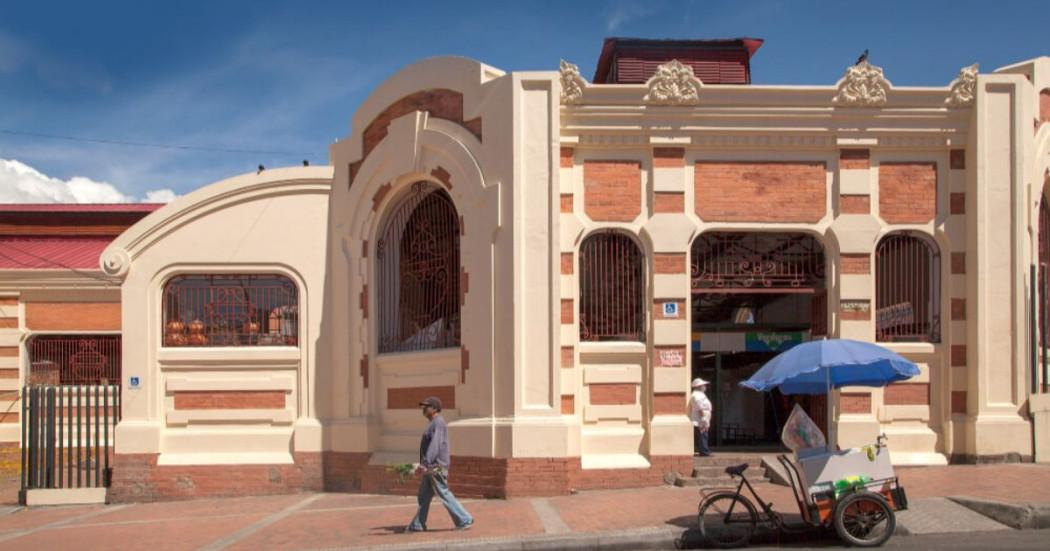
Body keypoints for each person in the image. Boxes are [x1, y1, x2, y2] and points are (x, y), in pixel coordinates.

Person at [406, 396, 474, 532]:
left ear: (435, 408)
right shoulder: (434, 423)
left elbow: (435, 445)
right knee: (424, 495)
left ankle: (464, 519)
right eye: (423, 406)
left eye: (426, 406)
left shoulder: (438, 423)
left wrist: (425, 463)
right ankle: (418, 524)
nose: (423, 408)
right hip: (431, 467)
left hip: (435, 466)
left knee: (443, 492)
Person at [689, 378, 713, 457]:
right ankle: (704, 451)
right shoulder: (696, 395)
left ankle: (705, 450)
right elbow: (699, 407)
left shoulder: (700, 394)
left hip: (703, 416)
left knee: (704, 434)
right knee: (702, 435)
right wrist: (703, 417)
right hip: (700, 418)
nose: (704, 386)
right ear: (699, 386)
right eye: (703, 385)